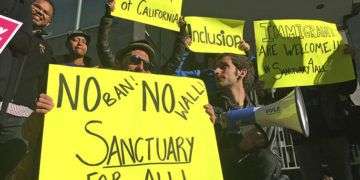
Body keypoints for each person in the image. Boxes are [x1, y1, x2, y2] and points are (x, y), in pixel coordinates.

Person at [0, 0, 55, 178]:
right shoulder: (4, 25)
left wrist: (49, 100)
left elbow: (47, 84)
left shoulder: (46, 49)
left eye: (46, 13)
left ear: (49, 22)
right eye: (37, 7)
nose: (40, 12)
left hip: (18, 122)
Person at [204, 54, 282, 180]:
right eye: (215, 67)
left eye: (224, 67)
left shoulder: (260, 112)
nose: (216, 71)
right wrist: (240, 148)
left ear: (241, 72)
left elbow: (275, 161)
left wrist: (262, 146)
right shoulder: (211, 110)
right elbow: (207, 160)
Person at [97, 0, 155, 73]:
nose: (141, 68)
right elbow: (102, 45)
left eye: (146, 65)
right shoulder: (115, 72)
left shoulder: (156, 82)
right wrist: (109, 15)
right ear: (122, 61)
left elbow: (172, 64)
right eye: (135, 60)